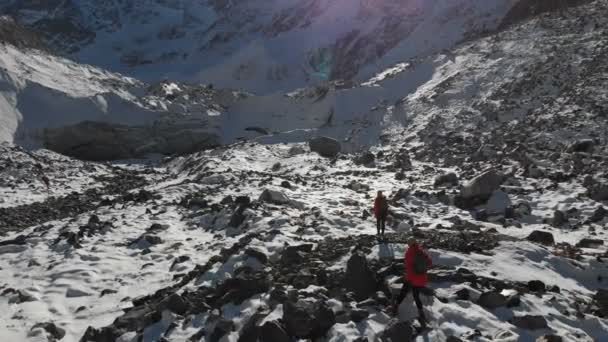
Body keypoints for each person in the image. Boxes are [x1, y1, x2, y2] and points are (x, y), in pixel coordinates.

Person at [393, 237, 433, 328]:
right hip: (422, 279)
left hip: (412, 278)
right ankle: (421, 312)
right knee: (416, 295)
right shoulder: (421, 252)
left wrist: (408, 278)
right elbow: (429, 263)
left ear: (409, 244)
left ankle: (395, 307)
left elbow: (408, 267)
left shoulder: (409, 253)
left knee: (403, 292)